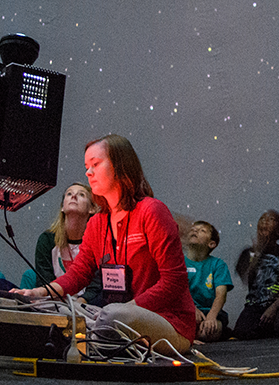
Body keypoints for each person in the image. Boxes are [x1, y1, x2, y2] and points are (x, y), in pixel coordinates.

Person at [13, 135, 195, 353]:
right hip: (113, 316)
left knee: (113, 315)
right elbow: (78, 274)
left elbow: (174, 282)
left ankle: (80, 338)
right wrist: (40, 294)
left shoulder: (152, 211)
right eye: (87, 166)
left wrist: (125, 309)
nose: (88, 173)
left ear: (120, 165)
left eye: (96, 164)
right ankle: (88, 335)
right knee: (46, 307)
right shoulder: (97, 223)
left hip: (168, 322)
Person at [233, 210, 279, 340]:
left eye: (271, 219)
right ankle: (265, 328)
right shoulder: (248, 253)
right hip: (254, 305)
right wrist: (257, 254)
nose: (265, 221)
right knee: (241, 333)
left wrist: (274, 307)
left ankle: (272, 326)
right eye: (262, 219)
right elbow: (244, 277)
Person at [31, 182, 102, 302]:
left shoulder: (99, 241)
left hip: (88, 304)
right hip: (54, 303)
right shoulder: (47, 240)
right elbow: (44, 279)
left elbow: (98, 284)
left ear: (92, 208)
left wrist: (81, 303)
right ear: (62, 207)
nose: (73, 196)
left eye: (81, 195)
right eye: (69, 194)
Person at [184, 221, 233, 343]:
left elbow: (221, 295)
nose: (195, 231)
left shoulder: (218, 264)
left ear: (211, 244)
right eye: (193, 229)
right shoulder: (178, 262)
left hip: (209, 311)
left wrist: (211, 316)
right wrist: (192, 308)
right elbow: (176, 291)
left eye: (202, 230)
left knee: (207, 332)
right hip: (185, 311)